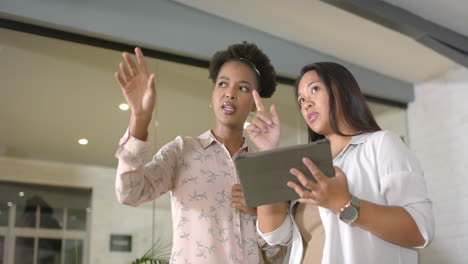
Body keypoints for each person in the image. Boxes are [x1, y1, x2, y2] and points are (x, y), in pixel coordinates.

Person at [244, 62, 434, 263]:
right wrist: (268, 152)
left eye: (314, 89)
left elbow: (421, 229)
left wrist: (344, 203)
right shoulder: (307, 165)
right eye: (301, 100)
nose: (306, 103)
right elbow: (274, 235)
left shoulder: (381, 144)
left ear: (342, 91)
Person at [114, 42, 285, 263]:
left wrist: (261, 212)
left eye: (242, 88)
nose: (230, 94)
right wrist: (139, 120)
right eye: (223, 84)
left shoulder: (264, 168)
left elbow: (276, 254)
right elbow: (129, 193)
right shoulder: (181, 151)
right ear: (213, 93)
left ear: (254, 103)